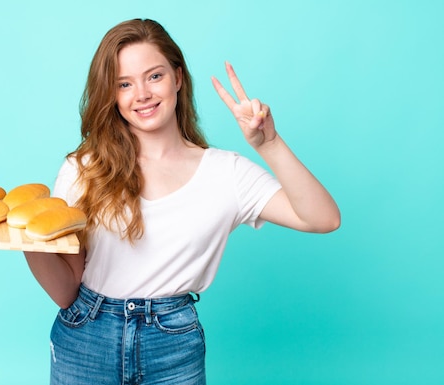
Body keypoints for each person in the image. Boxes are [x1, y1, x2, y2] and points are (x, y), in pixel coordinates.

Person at [24, 18, 340, 385]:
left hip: (171, 341)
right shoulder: (84, 169)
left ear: (177, 77)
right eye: (124, 84)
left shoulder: (227, 174)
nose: (141, 93)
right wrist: (27, 239)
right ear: (111, 95)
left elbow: (323, 218)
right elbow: (65, 292)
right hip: (86, 336)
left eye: (153, 76)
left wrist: (269, 145)